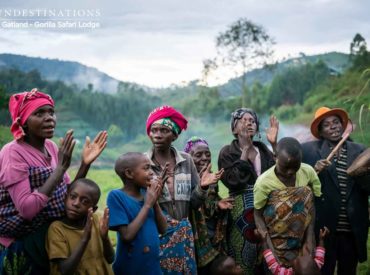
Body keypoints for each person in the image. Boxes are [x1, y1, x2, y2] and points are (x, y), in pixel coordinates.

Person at [0, 88, 107, 274]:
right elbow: (27, 210)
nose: (49, 117)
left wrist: (84, 165)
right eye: (39, 113)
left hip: (45, 237)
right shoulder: (13, 152)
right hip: (19, 244)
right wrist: (59, 169)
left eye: (51, 112)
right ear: (23, 122)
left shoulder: (49, 146)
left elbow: (65, 196)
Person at [145, 105, 216, 274]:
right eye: (154, 130)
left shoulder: (186, 160)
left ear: (175, 135)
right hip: (156, 235)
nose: (157, 135)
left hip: (184, 234)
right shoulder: (143, 163)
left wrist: (202, 187)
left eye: (163, 130)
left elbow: (194, 203)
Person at [301, 107, 370, 275]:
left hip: (351, 228)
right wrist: (314, 169)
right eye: (327, 125)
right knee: (324, 270)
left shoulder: (360, 151)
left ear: (342, 125)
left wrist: (361, 173)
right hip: (324, 230)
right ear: (321, 132)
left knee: (348, 270)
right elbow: (298, 184)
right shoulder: (309, 151)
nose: (333, 127)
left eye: (336, 122)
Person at [217, 108, 278, 274]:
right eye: (243, 120)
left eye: (252, 120)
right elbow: (233, 181)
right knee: (243, 259)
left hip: (267, 212)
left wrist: (274, 144)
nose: (248, 123)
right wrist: (244, 149)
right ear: (234, 129)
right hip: (241, 216)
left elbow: (280, 175)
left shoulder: (263, 150)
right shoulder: (227, 152)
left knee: (268, 258)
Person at [254, 137, 322, 267]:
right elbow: (258, 215)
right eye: (285, 167)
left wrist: (310, 239)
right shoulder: (263, 183)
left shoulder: (308, 172)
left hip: (302, 242)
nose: (290, 172)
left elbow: (311, 206)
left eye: (295, 167)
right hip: (276, 244)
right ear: (275, 157)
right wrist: (270, 249)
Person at [107, 152, 168, 275]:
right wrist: (147, 205)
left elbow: (163, 229)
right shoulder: (116, 196)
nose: (151, 172)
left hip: (153, 268)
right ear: (129, 173)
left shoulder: (147, 194)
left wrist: (154, 201)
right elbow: (127, 236)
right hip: (130, 269)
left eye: (150, 167)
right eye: (146, 168)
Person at [46, 178, 114, 275]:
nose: (76, 203)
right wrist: (85, 239)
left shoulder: (97, 220)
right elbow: (65, 271)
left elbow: (111, 258)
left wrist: (105, 238)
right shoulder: (57, 229)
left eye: (85, 201)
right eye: (73, 197)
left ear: (93, 209)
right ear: (65, 198)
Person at [184, 136, 232, 272]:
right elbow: (190, 205)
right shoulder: (185, 179)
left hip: (211, 235)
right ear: (188, 157)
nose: (204, 158)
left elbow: (210, 202)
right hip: (195, 237)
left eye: (207, 154)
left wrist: (218, 203)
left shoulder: (212, 179)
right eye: (198, 155)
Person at [257, 226, 329, 275]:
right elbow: (320, 257)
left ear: (294, 272)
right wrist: (321, 240)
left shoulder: (286, 273)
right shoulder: (315, 267)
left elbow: (272, 264)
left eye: (297, 260)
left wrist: (264, 242)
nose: (299, 256)